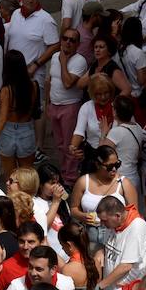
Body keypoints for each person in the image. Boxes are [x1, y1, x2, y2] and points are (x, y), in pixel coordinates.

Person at [48, 29, 87, 186]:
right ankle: (64, 172)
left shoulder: (79, 61)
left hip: (70, 106)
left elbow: (68, 82)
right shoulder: (53, 57)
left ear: (77, 44)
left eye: (72, 40)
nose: (68, 42)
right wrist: (47, 104)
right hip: (54, 105)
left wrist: (63, 61)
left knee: (70, 145)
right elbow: (50, 80)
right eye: (65, 38)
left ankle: (70, 178)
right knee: (59, 144)